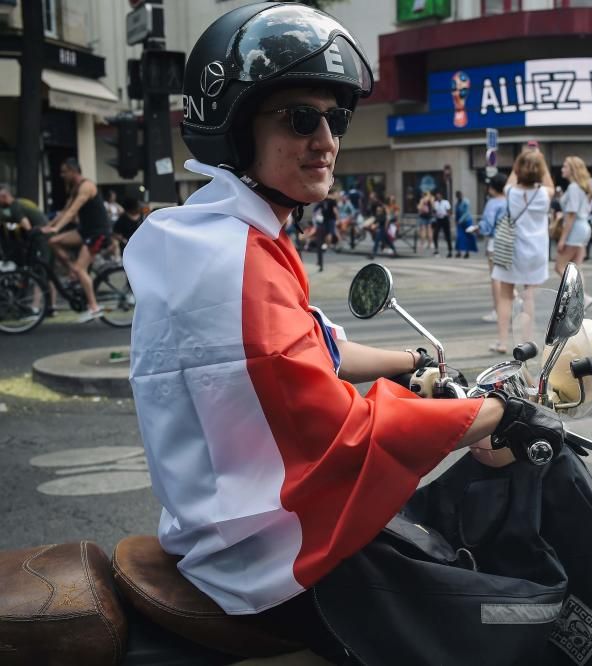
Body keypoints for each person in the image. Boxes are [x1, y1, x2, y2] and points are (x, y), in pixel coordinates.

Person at [127, 4, 566, 659]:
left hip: (220, 525)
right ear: (238, 128)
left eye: (335, 118)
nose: (327, 140)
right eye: (302, 118)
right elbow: (337, 433)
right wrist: (487, 414)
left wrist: (413, 360)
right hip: (264, 554)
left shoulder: (218, 233)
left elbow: (314, 346)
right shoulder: (233, 260)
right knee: (475, 618)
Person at [490, 149, 553, 354]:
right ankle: (527, 343)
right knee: (529, 297)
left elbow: (512, 178)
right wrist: (539, 158)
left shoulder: (511, 192)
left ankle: (502, 342)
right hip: (536, 251)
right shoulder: (545, 194)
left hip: (512, 250)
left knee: (506, 296)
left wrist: (524, 156)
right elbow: (549, 183)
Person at [41, 158, 111, 322]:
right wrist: (48, 227)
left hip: (97, 233)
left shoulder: (87, 186)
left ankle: (94, 308)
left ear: (73, 171)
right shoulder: (75, 188)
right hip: (84, 231)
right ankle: (73, 270)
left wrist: (57, 228)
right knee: (54, 241)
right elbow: (64, 211)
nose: (61, 175)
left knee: (81, 269)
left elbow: (72, 211)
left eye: (64, 171)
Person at [556, 156, 592, 305]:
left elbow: (571, 214)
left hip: (576, 228)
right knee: (575, 268)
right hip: (583, 227)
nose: (562, 169)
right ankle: (580, 299)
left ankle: (582, 299)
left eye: (565, 167)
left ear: (572, 170)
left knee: (560, 266)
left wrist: (562, 238)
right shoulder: (581, 187)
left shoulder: (573, 187)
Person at [472, 173, 507, 324]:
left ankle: (498, 311)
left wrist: (477, 228)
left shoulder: (492, 203)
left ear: (492, 188)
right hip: (510, 241)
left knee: (496, 278)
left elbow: (487, 226)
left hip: (496, 241)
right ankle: (511, 305)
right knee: (506, 278)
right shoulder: (510, 201)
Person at [453, 190, 477, 258]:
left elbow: (466, 212)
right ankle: (459, 251)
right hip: (460, 222)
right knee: (460, 237)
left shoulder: (466, 201)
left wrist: (460, 220)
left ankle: (467, 252)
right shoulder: (457, 203)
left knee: (468, 236)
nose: (458, 197)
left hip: (467, 221)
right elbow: (457, 212)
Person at [432, 190, 453, 257]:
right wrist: (435, 214)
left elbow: (449, 211)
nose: (438, 197)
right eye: (437, 195)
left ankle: (450, 251)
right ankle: (436, 250)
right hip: (438, 219)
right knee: (435, 234)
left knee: (447, 235)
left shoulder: (446, 202)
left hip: (445, 219)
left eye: (439, 195)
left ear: (441, 195)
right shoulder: (435, 203)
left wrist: (447, 215)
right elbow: (434, 211)